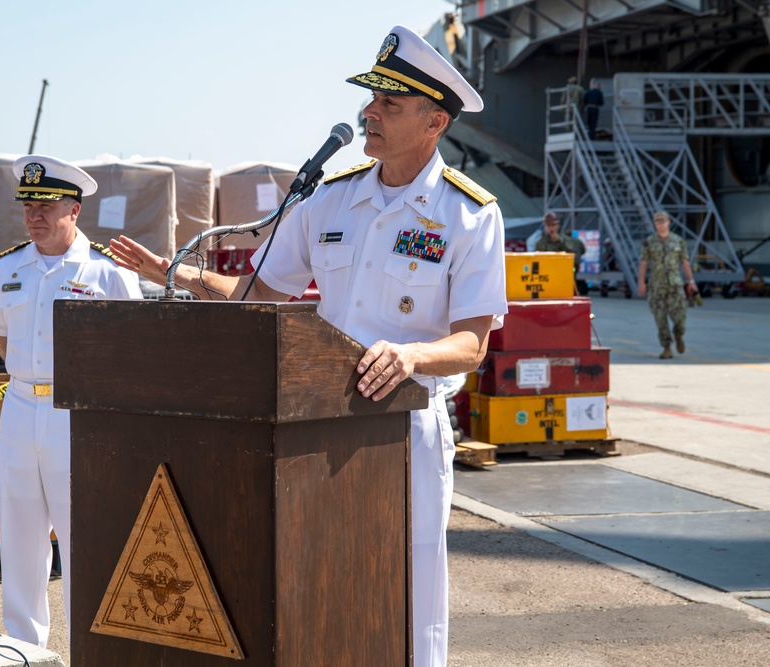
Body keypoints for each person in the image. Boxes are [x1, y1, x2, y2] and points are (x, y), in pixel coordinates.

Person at [110, 25, 507, 667]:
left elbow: (471, 344)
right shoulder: (333, 197)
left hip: (405, 426)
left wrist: (408, 356)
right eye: (372, 99)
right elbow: (258, 292)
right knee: (325, 580)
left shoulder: (468, 214)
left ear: (435, 121)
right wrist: (174, 273)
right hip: (319, 423)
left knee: (412, 587)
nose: (369, 112)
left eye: (390, 105)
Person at [0, 155, 143, 646]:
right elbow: (0, 336)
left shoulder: (107, 273)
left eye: (46, 205)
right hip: (21, 407)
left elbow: (131, 349)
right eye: (28, 205)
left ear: (75, 209)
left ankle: (87, 651)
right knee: (20, 533)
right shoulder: (8, 267)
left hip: (78, 415)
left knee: (82, 539)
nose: (34, 215)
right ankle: (24, 649)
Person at [637, 210, 697, 358]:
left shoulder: (678, 241)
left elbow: (685, 262)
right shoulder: (649, 242)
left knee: (680, 318)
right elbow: (643, 263)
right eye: (657, 222)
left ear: (668, 222)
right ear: (655, 224)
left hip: (675, 285)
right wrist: (641, 282)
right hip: (656, 286)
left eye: (663, 221)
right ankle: (667, 347)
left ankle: (678, 335)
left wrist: (691, 281)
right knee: (660, 318)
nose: (660, 224)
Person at [535, 211, 586, 293]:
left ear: (558, 226)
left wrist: (560, 242)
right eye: (548, 225)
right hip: (547, 283)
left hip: (566, 282)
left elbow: (576, 259)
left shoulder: (570, 241)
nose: (551, 228)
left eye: (553, 225)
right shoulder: (541, 243)